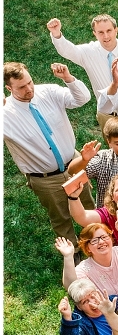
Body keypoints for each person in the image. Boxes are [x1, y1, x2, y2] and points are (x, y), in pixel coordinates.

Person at [4, 60, 93, 241]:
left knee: (89, 206)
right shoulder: (5, 115)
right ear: (8, 88)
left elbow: (83, 98)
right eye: (21, 87)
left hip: (74, 165)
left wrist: (68, 78)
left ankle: (97, 238)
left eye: (30, 82)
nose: (29, 89)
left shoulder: (49, 91)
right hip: (45, 179)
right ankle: (72, 250)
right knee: (61, 218)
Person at [46, 12, 118, 128]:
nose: (106, 36)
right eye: (101, 32)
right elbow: (68, 50)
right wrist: (56, 34)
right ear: (95, 34)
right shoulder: (89, 52)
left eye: (109, 31)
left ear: (116, 30)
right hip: (107, 114)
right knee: (115, 145)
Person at [55, 221, 118, 300]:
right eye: (94, 240)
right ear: (88, 248)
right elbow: (71, 286)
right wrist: (68, 257)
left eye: (104, 237)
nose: (101, 242)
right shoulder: (85, 268)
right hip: (112, 315)